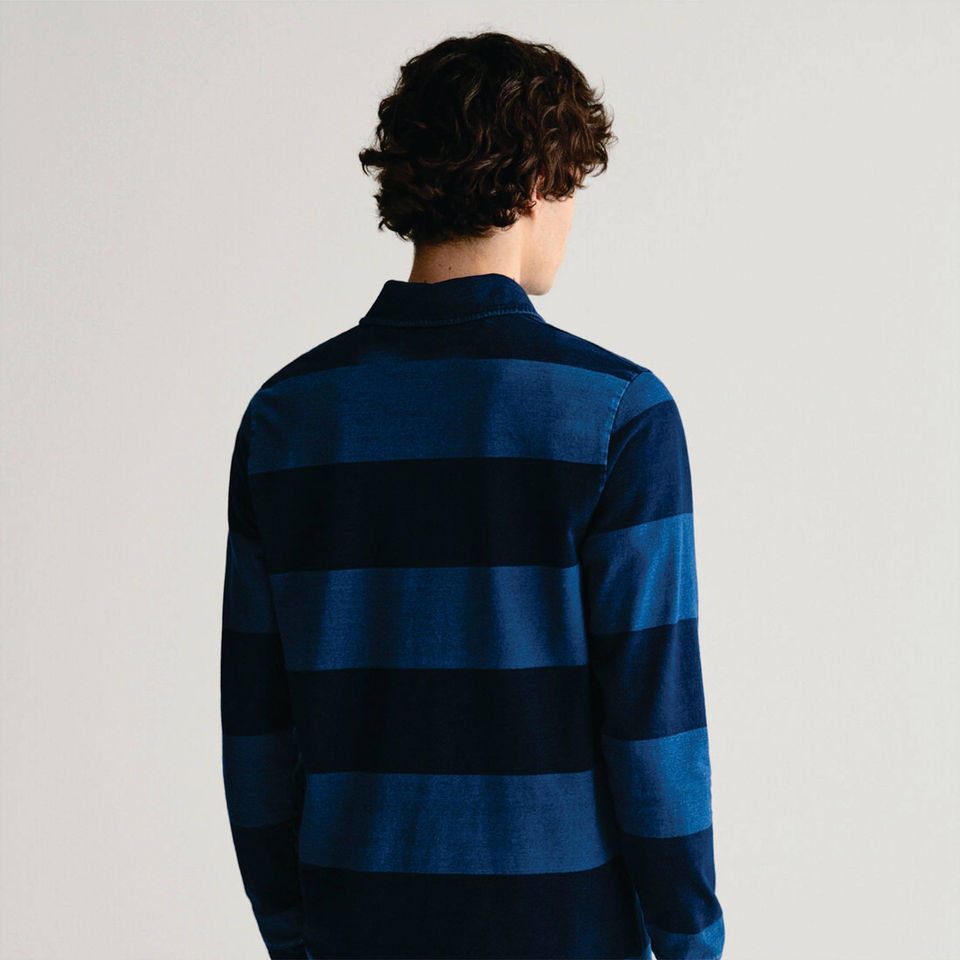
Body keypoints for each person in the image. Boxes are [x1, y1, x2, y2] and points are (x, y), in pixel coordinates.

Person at [220, 30, 724, 960]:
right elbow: (654, 726)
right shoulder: (617, 414)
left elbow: (256, 730)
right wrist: (692, 943)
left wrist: (297, 935)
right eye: (572, 187)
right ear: (535, 184)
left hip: (354, 923)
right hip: (561, 930)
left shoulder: (286, 418)